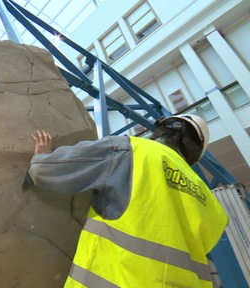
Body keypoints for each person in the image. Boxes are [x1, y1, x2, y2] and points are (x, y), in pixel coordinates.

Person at [27, 114, 228, 288]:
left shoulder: (131, 150)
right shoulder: (210, 202)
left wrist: (43, 159)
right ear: (193, 155)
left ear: (161, 130)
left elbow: (44, 171)